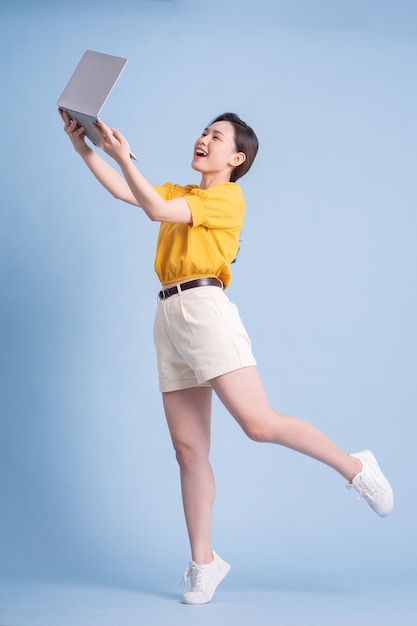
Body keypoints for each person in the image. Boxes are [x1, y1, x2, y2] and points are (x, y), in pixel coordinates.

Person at [58, 108, 394, 605]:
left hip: (204, 310)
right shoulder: (182, 192)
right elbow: (129, 193)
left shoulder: (227, 199)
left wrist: (122, 155)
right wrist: (84, 146)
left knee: (258, 424)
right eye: (202, 131)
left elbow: (151, 207)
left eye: (217, 137)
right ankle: (204, 562)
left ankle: (355, 466)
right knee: (189, 451)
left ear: (237, 157)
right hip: (168, 316)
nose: (203, 139)